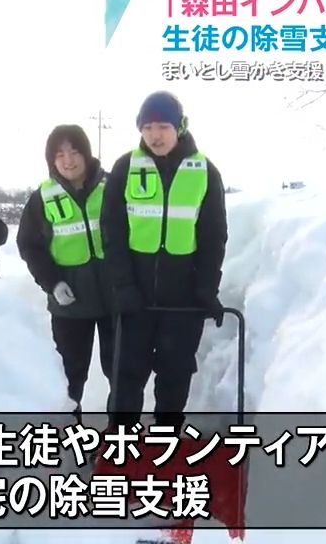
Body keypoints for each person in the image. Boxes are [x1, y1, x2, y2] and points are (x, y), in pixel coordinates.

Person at [101, 90, 227, 432]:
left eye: (163, 126)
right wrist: (123, 287)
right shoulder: (126, 168)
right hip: (135, 297)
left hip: (181, 298)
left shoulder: (205, 172)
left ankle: (165, 441)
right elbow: (111, 232)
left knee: (175, 374)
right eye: (148, 127)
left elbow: (213, 238)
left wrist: (205, 290)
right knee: (127, 375)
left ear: (180, 127)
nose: (155, 135)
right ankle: (120, 443)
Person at [17, 125, 114, 418]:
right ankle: (72, 434)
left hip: (116, 299)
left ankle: (119, 436)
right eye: (59, 154)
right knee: (70, 377)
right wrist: (53, 283)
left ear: (86, 153)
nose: (68, 160)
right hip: (69, 305)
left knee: (122, 371)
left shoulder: (113, 187)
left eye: (74, 151)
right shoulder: (43, 197)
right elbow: (29, 245)